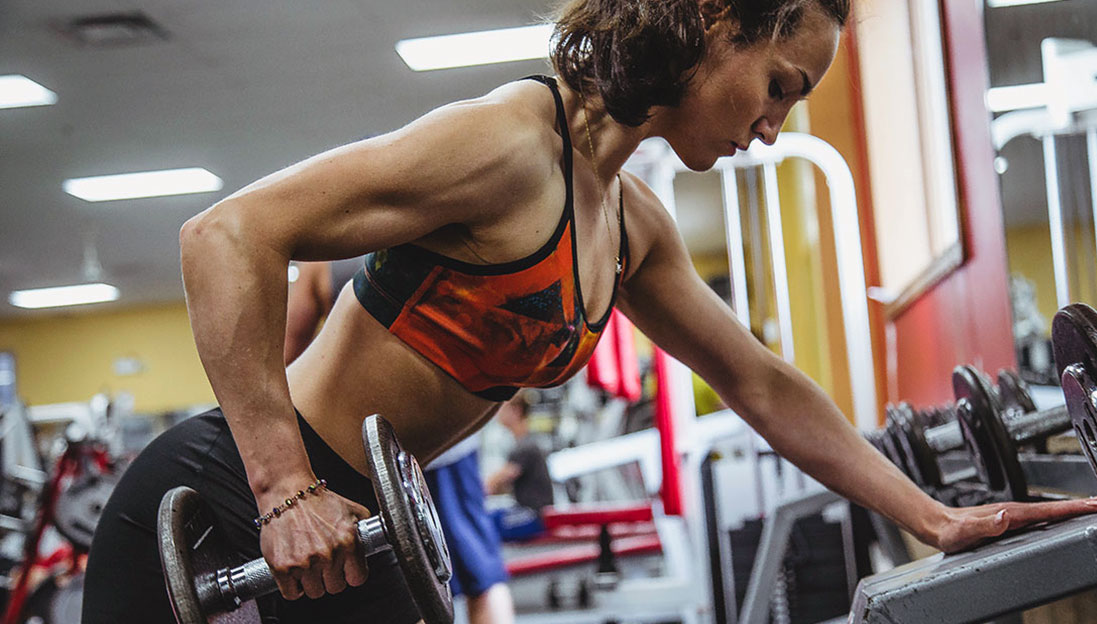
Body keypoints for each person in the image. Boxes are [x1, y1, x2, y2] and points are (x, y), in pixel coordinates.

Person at [83, 0, 1097, 622]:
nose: (773, 125)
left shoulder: (625, 223)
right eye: (778, 85)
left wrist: (932, 516)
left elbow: (756, 379)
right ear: (715, 20)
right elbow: (224, 236)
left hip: (360, 519)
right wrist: (283, 488)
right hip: (226, 495)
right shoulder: (505, 145)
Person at [285, 258, 516, 623]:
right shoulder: (427, 230)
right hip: (439, 427)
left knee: (401, 582)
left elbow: (289, 353)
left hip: (363, 444)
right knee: (476, 570)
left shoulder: (319, 259)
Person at [485, 393, 555, 541]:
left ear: (516, 410)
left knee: (486, 523)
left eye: (502, 408)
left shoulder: (525, 446)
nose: (497, 413)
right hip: (529, 511)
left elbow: (499, 480)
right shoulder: (524, 442)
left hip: (534, 515)